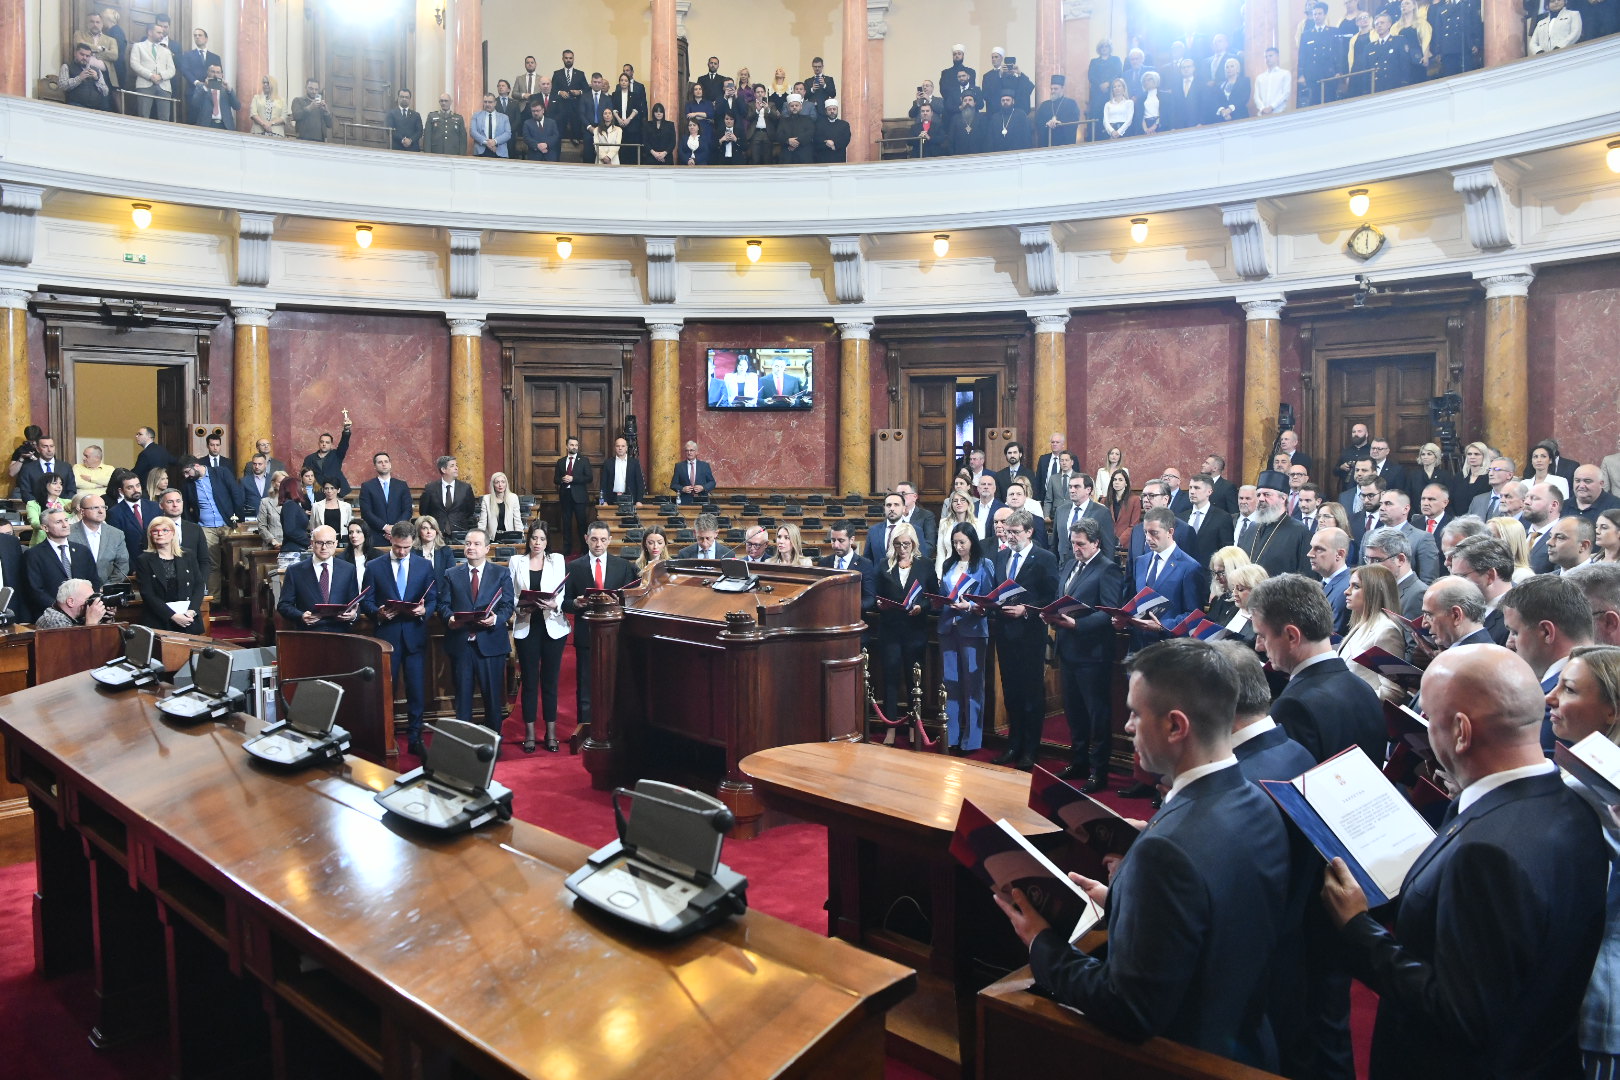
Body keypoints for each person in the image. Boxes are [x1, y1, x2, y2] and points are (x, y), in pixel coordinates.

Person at [996, 638, 1295, 1068]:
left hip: (1183, 1057)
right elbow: (1211, 919)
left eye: (1135, 713)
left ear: (1176, 726)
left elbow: (1128, 1009)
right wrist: (1120, 899)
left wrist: (1041, 942)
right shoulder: (1259, 802)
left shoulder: (1165, 852)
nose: (1129, 725)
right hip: (1246, 1037)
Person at [1324, 643, 1607, 1079]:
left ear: (1460, 731)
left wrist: (1357, 928)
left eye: (1429, 717)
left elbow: (1458, 1016)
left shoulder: (1486, 854)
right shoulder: (1574, 806)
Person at [1250, 572, 1386, 764]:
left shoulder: (1292, 707)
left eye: (1262, 636)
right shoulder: (1363, 688)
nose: (1259, 646)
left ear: (1291, 636)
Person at [1051, 517, 1126, 788]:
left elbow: (1108, 612)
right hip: (1068, 650)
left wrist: (1077, 624)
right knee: (1073, 711)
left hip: (1092, 654)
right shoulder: (1071, 565)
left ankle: (1099, 771)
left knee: (1096, 714)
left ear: (1095, 543)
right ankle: (1079, 761)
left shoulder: (1107, 569)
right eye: (1073, 543)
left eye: (1081, 544)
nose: (1075, 548)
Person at [987, 510, 1057, 768]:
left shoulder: (1045, 558)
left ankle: (1030, 750)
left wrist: (1026, 610)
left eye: (1016, 532)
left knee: (1031, 695)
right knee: (1011, 693)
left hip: (1030, 634)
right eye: (1008, 532)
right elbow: (997, 590)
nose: (1010, 537)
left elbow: (1051, 596)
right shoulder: (1001, 556)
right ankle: (1013, 745)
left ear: (1029, 532)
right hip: (1005, 632)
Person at [438, 529, 514, 735]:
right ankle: (462, 746)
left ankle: (492, 744)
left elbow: (507, 606)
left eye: (476, 544)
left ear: (488, 549)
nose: (471, 547)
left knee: (492, 699)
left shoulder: (502, 573)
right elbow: (443, 605)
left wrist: (496, 619)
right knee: (462, 699)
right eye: (468, 543)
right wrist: (449, 618)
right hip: (462, 644)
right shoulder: (451, 574)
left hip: (490, 643)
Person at [564, 521, 638, 730]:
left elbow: (630, 600)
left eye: (603, 539)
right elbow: (565, 601)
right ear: (586, 539)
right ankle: (586, 727)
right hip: (586, 633)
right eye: (594, 539)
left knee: (615, 683)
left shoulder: (622, 566)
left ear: (610, 540)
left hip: (615, 634)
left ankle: (614, 727)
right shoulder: (574, 566)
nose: (598, 544)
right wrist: (576, 603)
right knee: (585, 684)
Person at [874, 522, 938, 729]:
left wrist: (922, 606)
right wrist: (880, 604)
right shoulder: (884, 564)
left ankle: (914, 726)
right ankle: (891, 726)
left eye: (906, 544)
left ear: (914, 544)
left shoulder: (925, 564)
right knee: (890, 679)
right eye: (898, 544)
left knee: (914, 681)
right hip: (890, 630)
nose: (902, 549)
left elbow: (934, 597)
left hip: (915, 630)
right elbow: (877, 595)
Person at [1336, 563, 1410, 702]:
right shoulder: (1362, 623)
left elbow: (1393, 692)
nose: (1347, 591)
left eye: (1356, 586)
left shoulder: (1387, 631)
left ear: (1374, 591)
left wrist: (1351, 703)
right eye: (1349, 585)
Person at [278, 525, 361, 632]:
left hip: (341, 634)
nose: (324, 547)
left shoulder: (348, 569)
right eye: (319, 542)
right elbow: (283, 605)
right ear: (312, 543)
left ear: (336, 544)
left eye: (329, 543)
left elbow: (355, 604)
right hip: (309, 634)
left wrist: (353, 615)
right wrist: (301, 615)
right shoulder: (295, 571)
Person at [133, 515, 203, 630]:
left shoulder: (188, 555)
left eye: (165, 530)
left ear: (173, 533)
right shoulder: (144, 560)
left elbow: (199, 585)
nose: (160, 534)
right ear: (150, 534)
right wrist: (172, 616)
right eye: (155, 531)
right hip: (160, 620)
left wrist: (191, 611)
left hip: (188, 618)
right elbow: (148, 594)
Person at [70, 494, 129, 587]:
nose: (101, 511)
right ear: (82, 511)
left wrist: (106, 587)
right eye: (95, 508)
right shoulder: (68, 533)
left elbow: (122, 565)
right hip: (75, 591)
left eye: (103, 507)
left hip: (107, 591)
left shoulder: (116, 534)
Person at [357, 452, 413, 547]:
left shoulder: (401, 485)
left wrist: (395, 528)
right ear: (375, 466)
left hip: (400, 535)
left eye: (386, 461)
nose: (383, 464)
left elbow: (407, 510)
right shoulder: (367, 486)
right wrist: (385, 527)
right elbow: (366, 512)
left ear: (390, 465)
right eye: (380, 462)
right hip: (376, 535)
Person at [551, 437, 593, 554]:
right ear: (567, 446)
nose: (574, 447)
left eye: (576, 445)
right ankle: (567, 549)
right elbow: (556, 479)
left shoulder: (584, 460)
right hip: (565, 496)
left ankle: (585, 550)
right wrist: (562, 479)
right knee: (566, 524)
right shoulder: (561, 461)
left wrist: (573, 479)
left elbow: (589, 477)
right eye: (571, 445)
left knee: (582, 524)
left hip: (579, 497)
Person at [128, 21, 175, 120]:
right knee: (143, 116)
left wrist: (160, 76)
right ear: (150, 32)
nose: (162, 35)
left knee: (165, 118)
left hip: (164, 86)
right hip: (145, 83)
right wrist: (150, 75)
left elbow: (172, 70)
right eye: (159, 32)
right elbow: (134, 64)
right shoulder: (138, 46)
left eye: (162, 33)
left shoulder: (166, 51)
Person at [420, 455, 475, 537]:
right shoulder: (430, 488)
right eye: (452, 466)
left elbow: (470, 511)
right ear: (443, 469)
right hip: (436, 532)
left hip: (459, 532)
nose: (456, 468)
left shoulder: (465, 488)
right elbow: (424, 511)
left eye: (456, 465)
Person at [109, 472, 159, 557]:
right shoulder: (114, 513)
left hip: (155, 559)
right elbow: (117, 544)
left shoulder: (154, 507)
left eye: (138, 485)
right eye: (130, 487)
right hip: (132, 561)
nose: (136, 490)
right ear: (121, 491)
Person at [16, 435, 76, 505]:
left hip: (62, 509)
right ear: (38, 449)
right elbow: (25, 492)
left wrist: (61, 504)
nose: (49, 450)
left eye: (51, 446)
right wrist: (38, 506)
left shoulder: (66, 467)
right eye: (45, 447)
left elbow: (72, 490)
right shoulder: (28, 468)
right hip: (37, 509)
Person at [34, 577, 110, 629]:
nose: (92, 602)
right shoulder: (55, 620)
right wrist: (91, 623)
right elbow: (74, 649)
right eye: (89, 598)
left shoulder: (77, 617)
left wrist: (107, 619)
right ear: (70, 602)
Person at [60, 42, 112, 110]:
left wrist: (97, 79)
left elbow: (105, 92)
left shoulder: (97, 70)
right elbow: (62, 86)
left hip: (97, 108)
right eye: (82, 54)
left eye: (87, 56)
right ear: (75, 53)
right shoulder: (66, 66)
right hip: (75, 107)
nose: (84, 58)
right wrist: (79, 78)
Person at [477, 471, 523, 543]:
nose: (500, 485)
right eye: (497, 482)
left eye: (503, 482)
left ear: (506, 484)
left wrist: (519, 537)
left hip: (509, 537)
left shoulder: (513, 498)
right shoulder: (486, 499)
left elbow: (517, 521)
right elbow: (482, 522)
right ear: (493, 485)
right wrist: (479, 539)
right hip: (492, 538)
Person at [187, 63, 238, 129]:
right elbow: (195, 104)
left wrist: (229, 90)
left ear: (222, 75)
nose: (215, 75)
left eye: (218, 72)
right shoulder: (201, 87)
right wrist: (205, 87)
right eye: (213, 72)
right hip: (207, 124)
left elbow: (237, 106)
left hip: (225, 125)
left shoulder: (226, 89)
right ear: (208, 73)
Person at [25, 472, 73, 542]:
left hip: (67, 540)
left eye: (61, 483)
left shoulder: (68, 502)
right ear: (45, 485)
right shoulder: (33, 504)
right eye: (54, 483)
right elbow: (35, 522)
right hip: (42, 541)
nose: (59, 486)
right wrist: (51, 525)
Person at [1034, 75, 1082, 146]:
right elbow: (1038, 122)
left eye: (1055, 89)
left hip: (1064, 144)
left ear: (1062, 89)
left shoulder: (1071, 104)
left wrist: (1061, 123)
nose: (1053, 91)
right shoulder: (1044, 105)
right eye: (1051, 89)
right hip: (1047, 144)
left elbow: (1074, 122)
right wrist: (1046, 124)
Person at [413, 514, 455, 582]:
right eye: (424, 528)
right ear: (418, 532)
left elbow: (451, 577)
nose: (429, 531)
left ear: (436, 531)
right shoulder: (412, 552)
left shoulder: (446, 551)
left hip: (441, 591)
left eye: (432, 528)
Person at [277, 474, 312, 553]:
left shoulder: (293, 504)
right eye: (300, 486)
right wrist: (308, 541)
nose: (303, 489)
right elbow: (290, 530)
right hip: (292, 552)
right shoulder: (290, 505)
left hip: (296, 550)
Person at [1211, 58, 1251, 122]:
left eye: (1232, 66)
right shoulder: (1220, 85)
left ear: (1237, 69)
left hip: (1240, 117)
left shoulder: (1245, 81)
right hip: (1223, 119)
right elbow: (1216, 101)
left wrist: (1229, 110)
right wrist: (1223, 111)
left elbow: (1244, 98)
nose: (1229, 69)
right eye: (1227, 67)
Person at [473, 92, 512, 157]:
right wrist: (487, 143)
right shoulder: (476, 116)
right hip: (481, 151)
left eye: (490, 102)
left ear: (495, 103)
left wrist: (495, 141)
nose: (487, 104)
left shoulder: (504, 117)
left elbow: (508, 134)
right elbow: (473, 132)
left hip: (499, 151)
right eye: (485, 102)